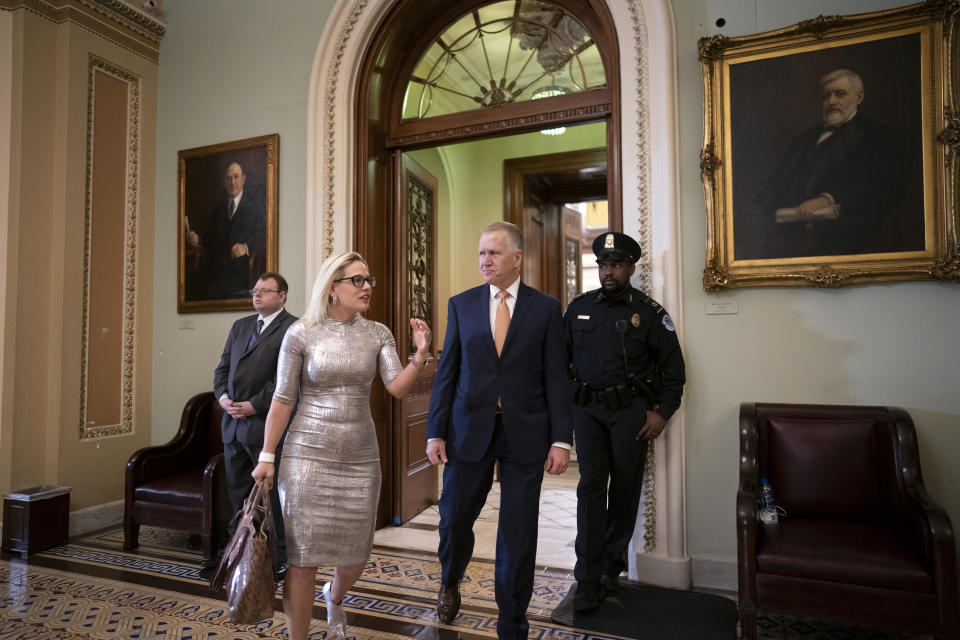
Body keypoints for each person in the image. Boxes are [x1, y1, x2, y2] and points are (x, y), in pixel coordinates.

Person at [252, 251, 432, 640]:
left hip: (360, 457)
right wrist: (268, 454)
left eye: (369, 281)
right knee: (302, 562)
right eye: (357, 280)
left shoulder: (378, 333)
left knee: (355, 556)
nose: (367, 287)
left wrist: (419, 356)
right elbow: (283, 399)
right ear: (333, 287)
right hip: (305, 456)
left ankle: (334, 597)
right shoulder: (300, 333)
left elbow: (396, 388)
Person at [425, 221, 572, 640]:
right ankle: (449, 580)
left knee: (518, 532)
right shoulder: (462, 304)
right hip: (466, 429)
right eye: (481, 253)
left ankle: (512, 620)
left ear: (516, 258)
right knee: (454, 520)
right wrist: (435, 431)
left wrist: (561, 439)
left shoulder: (545, 308)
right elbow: (447, 373)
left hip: (526, 432)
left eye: (493, 253)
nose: (484, 261)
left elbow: (556, 379)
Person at [563, 232, 685, 611]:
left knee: (625, 489)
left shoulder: (648, 313)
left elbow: (674, 369)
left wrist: (662, 411)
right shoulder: (579, 308)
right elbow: (557, 362)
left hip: (630, 412)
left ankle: (610, 567)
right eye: (603, 264)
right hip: (587, 411)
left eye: (616, 265)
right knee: (590, 488)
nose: (608, 271)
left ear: (630, 268)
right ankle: (586, 574)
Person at [737, 68, 913, 259]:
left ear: (859, 97)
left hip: (841, 239)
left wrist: (828, 198)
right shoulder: (804, 139)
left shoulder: (880, 137)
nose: (831, 102)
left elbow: (887, 189)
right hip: (783, 233)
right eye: (826, 96)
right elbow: (776, 183)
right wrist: (759, 212)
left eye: (840, 94)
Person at [212, 272, 297, 577]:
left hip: (265, 425)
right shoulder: (240, 326)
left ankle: (278, 558)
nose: (256, 295)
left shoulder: (293, 328)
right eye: (254, 291)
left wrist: (254, 405)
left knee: (271, 497)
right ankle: (242, 553)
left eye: (265, 291)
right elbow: (222, 369)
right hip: (232, 425)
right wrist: (223, 399)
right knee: (238, 493)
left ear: (282, 295)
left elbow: (286, 380)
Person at [186, 160, 266, 298]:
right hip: (215, 266)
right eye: (228, 178)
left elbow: (265, 233)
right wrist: (198, 239)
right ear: (224, 182)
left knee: (211, 290)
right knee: (191, 284)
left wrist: (246, 247)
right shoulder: (219, 206)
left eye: (236, 177)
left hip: (240, 270)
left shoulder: (254, 205)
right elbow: (212, 237)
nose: (232, 182)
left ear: (243, 179)